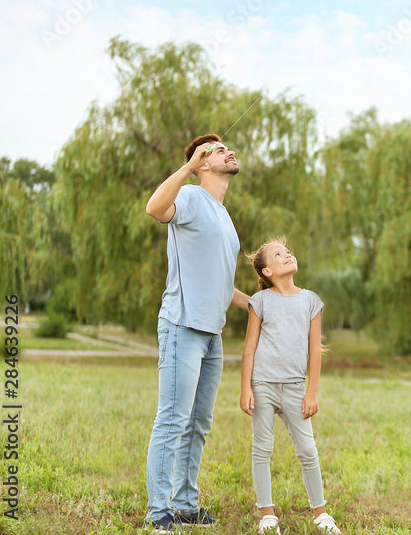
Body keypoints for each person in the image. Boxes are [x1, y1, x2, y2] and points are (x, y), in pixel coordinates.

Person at [144, 134, 251, 532]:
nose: (228, 150)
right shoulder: (189, 195)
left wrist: (261, 304)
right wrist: (188, 165)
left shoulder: (223, 215)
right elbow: (155, 208)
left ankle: (186, 504)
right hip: (182, 326)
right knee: (172, 420)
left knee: (197, 424)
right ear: (203, 163)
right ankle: (159, 513)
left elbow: (223, 286)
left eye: (226, 147)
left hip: (212, 334)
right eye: (217, 149)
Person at [241, 238, 341, 535]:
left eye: (287, 252)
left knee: (308, 450)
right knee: (262, 448)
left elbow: (315, 348)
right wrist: (245, 387)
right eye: (278, 254)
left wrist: (312, 391)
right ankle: (267, 515)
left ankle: (320, 512)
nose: (287, 255)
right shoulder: (259, 302)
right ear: (267, 271)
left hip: (296, 388)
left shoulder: (310, 300)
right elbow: (249, 347)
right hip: (262, 386)